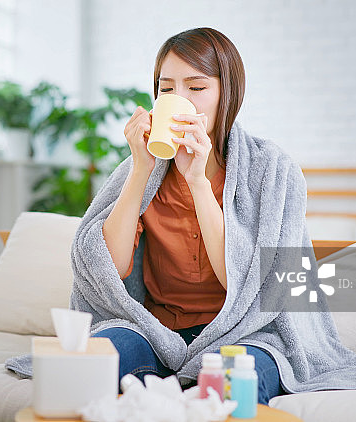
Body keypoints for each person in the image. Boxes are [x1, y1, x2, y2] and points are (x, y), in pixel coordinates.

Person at [94, 27, 286, 405]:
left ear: (227, 94)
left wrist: (198, 181)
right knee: (98, 358)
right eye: (166, 89)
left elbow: (252, 288)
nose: (178, 98)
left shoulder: (272, 170)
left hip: (241, 335)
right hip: (156, 333)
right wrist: (139, 170)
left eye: (196, 88)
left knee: (239, 383)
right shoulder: (140, 170)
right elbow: (107, 268)